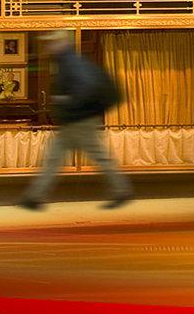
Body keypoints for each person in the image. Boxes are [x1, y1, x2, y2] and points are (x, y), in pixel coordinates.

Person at [21, 39, 132, 212]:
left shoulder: (70, 63)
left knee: (56, 159)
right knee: (60, 158)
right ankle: (34, 196)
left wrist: (66, 103)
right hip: (78, 121)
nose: (48, 48)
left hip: (78, 121)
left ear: (59, 45)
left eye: (51, 44)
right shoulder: (72, 62)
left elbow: (84, 89)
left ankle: (34, 196)